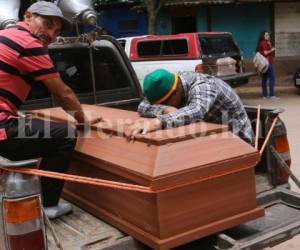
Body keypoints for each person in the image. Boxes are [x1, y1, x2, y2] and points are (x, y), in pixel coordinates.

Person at [0, 1, 101, 218]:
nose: (51, 35)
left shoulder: (7, 37)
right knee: (65, 134)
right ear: (27, 16)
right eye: (46, 24)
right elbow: (63, 94)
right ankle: (48, 206)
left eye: (56, 31)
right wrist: (83, 122)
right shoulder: (29, 44)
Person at [124, 69, 254, 144]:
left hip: (237, 140)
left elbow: (197, 110)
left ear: (176, 91)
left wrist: (159, 121)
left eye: (165, 102)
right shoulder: (174, 85)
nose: (164, 105)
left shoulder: (203, 85)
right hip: (209, 136)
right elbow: (142, 105)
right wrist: (164, 109)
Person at [256, 31, 278, 100]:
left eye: (268, 35)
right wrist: (272, 49)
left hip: (264, 64)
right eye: (266, 35)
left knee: (264, 79)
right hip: (268, 63)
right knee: (272, 78)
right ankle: (272, 95)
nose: (267, 36)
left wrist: (270, 45)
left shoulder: (262, 43)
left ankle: (264, 95)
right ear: (263, 36)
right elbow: (265, 52)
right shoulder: (264, 43)